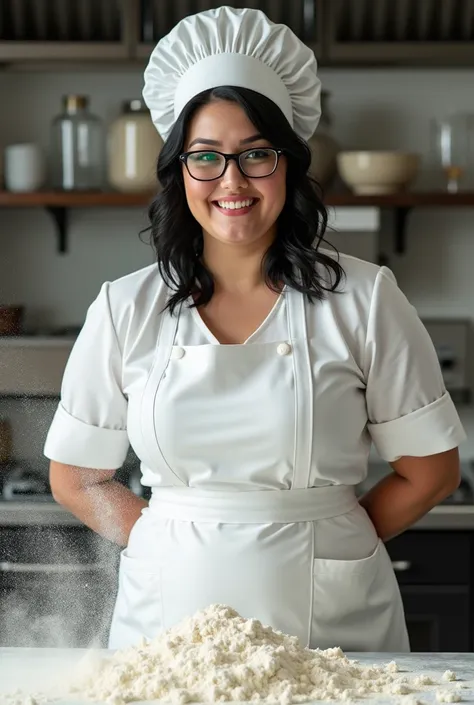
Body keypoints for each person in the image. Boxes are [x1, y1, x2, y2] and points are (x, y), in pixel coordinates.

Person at [44, 6, 465, 653]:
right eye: (206, 156)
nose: (232, 181)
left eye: (255, 154)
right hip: (166, 630)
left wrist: (332, 534)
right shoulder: (125, 307)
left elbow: (431, 469)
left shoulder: (365, 298)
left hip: (332, 630)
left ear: (288, 163)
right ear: (180, 169)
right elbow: (75, 476)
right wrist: (166, 540)